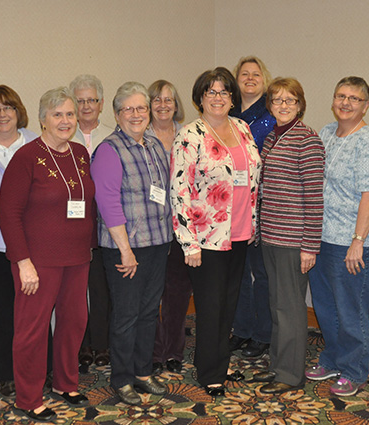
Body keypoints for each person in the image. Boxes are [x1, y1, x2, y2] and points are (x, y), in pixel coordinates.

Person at [0, 87, 95, 421]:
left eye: (70, 114)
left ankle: (65, 383)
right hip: (37, 261)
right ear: (42, 119)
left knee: (74, 321)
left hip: (78, 256)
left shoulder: (81, 153)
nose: (65, 121)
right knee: (32, 329)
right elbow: (7, 214)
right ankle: (27, 397)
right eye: (57, 115)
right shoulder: (26, 158)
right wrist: (23, 262)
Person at [171, 67, 262, 397]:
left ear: (232, 98)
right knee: (210, 307)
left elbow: (252, 178)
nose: (218, 98)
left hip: (239, 233)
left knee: (229, 304)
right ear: (200, 98)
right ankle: (209, 371)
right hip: (205, 237)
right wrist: (188, 242)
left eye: (224, 92)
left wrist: (252, 222)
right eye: (211, 92)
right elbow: (179, 190)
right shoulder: (190, 135)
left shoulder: (242, 128)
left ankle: (219, 363)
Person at [306, 76, 369, 397]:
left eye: (354, 98)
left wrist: (357, 241)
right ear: (333, 100)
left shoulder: (368, 142)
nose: (346, 102)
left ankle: (355, 370)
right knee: (326, 307)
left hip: (354, 244)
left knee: (351, 309)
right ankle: (333, 358)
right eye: (341, 96)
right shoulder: (326, 133)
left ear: (365, 105)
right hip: (322, 238)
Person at [91, 82, 172, 406]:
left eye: (141, 108)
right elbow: (108, 203)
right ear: (116, 114)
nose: (136, 114)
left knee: (149, 312)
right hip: (126, 247)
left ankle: (142, 371)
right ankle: (122, 377)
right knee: (126, 315)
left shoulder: (153, 145)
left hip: (156, 242)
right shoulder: (109, 150)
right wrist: (125, 249)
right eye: (128, 109)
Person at [252, 78, 324, 394]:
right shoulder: (271, 138)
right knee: (277, 304)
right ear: (269, 104)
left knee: (291, 307)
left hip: (294, 241)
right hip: (270, 236)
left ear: (300, 105)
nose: (283, 105)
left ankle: (290, 375)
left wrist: (310, 246)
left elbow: (314, 196)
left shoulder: (307, 141)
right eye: (277, 100)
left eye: (290, 100)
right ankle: (278, 366)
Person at [0, 85, 38, 398]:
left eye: (8, 108)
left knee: (35, 313)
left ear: (18, 112)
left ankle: (41, 369)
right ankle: (4, 373)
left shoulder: (37, 146)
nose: (2, 115)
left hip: (34, 245)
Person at [229, 56, 276, 358]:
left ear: (264, 79)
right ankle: (241, 329)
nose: (249, 78)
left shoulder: (272, 116)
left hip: (263, 206)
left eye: (255, 74)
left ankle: (263, 333)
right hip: (232, 208)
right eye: (243, 74)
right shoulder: (225, 115)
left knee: (262, 273)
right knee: (239, 274)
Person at [146, 80, 192, 375]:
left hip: (182, 225)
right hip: (150, 227)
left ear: (177, 105)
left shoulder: (187, 136)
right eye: (157, 100)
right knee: (151, 293)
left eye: (169, 100)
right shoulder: (141, 136)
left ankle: (174, 350)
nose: (163, 105)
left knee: (177, 293)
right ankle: (153, 350)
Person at [69, 74, 113, 369]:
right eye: (80, 101)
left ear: (101, 104)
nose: (86, 106)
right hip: (70, 227)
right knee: (73, 290)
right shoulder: (60, 134)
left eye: (91, 100)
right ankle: (80, 345)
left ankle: (102, 344)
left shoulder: (113, 135)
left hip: (104, 225)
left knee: (101, 288)